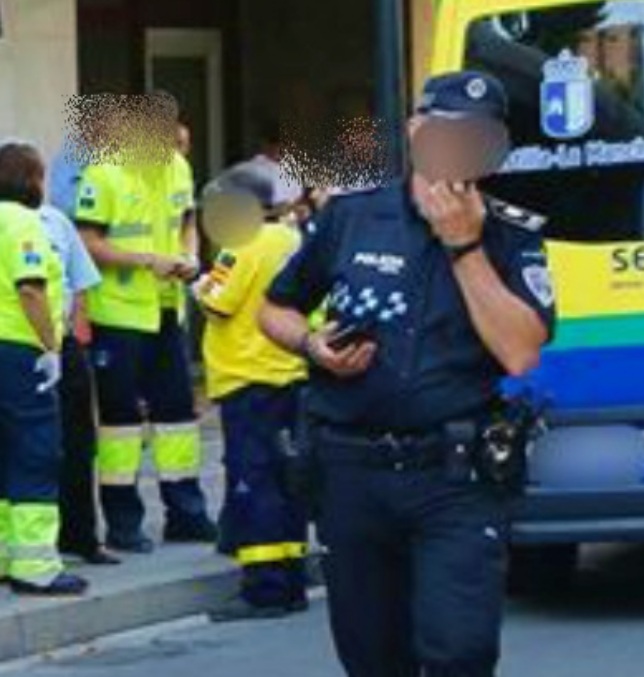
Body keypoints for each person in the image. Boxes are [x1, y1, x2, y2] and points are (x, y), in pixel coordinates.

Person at [259, 71, 556, 677]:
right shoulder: (350, 217)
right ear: (417, 131)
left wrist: (464, 247)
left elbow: (521, 353)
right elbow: (274, 308)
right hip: (352, 471)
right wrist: (314, 346)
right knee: (372, 657)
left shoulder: (511, 236)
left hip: (454, 476)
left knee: (460, 652)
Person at [75, 94, 215, 554]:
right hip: (117, 311)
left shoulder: (177, 167)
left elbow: (187, 221)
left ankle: (187, 513)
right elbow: (87, 242)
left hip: (166, 307)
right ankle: (122, 521)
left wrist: (190, 255)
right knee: (120, 422)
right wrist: (144, 260)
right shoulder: (104, 173)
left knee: (177, 415)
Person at [193, 168, 309, 621]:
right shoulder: (292, 239)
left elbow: (216, 301)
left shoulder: (240, 245)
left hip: (247, 377)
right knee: (286, 481)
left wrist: (196, 281)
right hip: (290, 373)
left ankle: (264, 588)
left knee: (252, 482)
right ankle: (292, 578)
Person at [0, 141, 89, 595]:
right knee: (34, 451)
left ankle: (4, 555)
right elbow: (31, 290)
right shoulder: (23, 223)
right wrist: (51, 347)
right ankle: (35, 567)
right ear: (31, 180)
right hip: (19, 350)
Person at [37, 203, 118, 566]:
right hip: (16, 345)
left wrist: (78, 341)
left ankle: (80, 537)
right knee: (24, 449)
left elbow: (80, 283)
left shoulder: (55, 221)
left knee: (78, 443)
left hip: (64, 344)